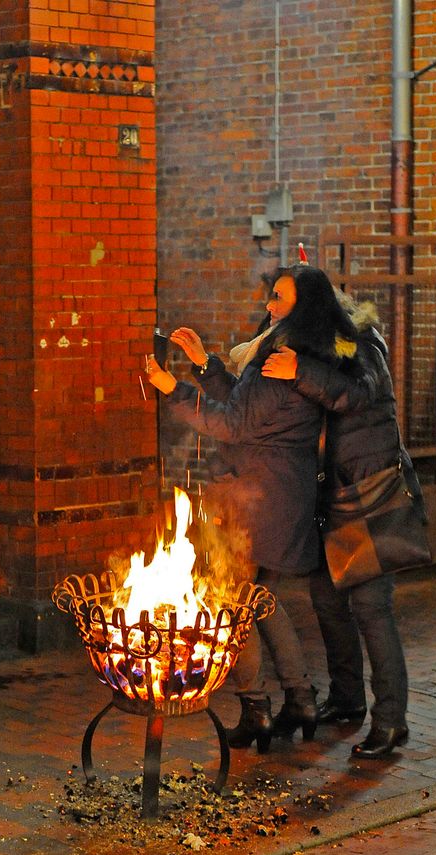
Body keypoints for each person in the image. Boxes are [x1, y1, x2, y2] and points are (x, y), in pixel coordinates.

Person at [145, 266, 356, 749]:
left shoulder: (282, 360)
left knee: (235, 603)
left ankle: (256, 706)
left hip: (263, 499)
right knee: (262, 600)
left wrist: (169, 388)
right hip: (284, 494)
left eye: (279, 298)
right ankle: (300, 700)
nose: (269, 305)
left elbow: (233, 425)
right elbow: (245, 406)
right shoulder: (295, 360)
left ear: (302, 306)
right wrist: (204, 364)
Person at [262, 286, 425, 758]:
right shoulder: (310, 345)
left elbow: (358, 394)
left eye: (281, 301)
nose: (271, 309)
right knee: (327, 600)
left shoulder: (362, 341)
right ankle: (348, 699)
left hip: (367, 495)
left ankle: (392, 722)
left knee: (372, 609)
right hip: (330, 496)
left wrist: (302, 371)